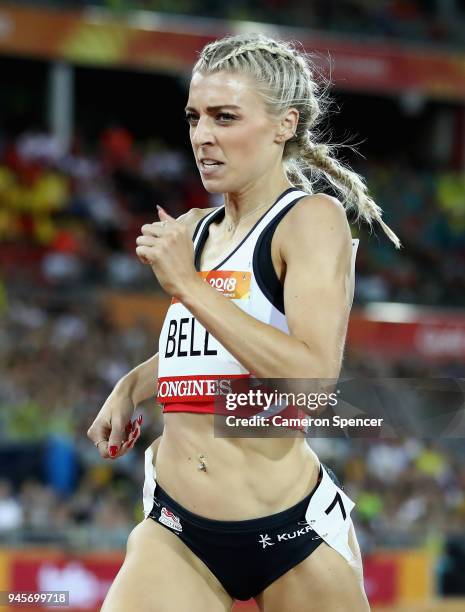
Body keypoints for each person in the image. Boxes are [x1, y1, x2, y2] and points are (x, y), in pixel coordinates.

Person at [87, 33, 399, 611]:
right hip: (178, 532)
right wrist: (131, 386)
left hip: (290, 534)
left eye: (225, 117)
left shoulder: (310, 220)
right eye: (194, 117)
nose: (202, 136)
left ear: (285, 124)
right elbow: (208, 352)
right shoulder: (197, 228)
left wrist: (187, 285)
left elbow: (311, 379)